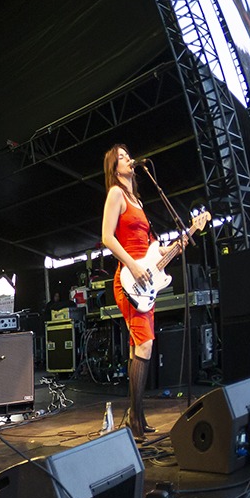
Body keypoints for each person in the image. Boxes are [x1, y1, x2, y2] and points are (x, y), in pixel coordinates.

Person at [100, 144, 180, 441]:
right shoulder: (116, 194)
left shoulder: (138, 200)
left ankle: (140, 417)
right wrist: (132, 266)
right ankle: (135, 418)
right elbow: (107, 237)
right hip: (129, 278)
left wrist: (173, 249)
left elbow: (150, 247)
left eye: (127, 155)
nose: (128, 159)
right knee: (144, 345)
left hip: (146, 277)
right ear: (114, 167)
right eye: (121, 157)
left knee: (140, 347)